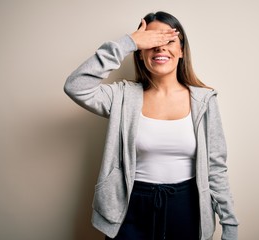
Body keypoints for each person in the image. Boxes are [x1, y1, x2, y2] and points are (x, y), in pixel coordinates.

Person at [64, 11, 239, 240]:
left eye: (168, 40)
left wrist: (230, 225)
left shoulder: (204, 101)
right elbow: (76, 86)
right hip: (130, 208)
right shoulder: (122, 97)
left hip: (186, 208)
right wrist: (129, 42)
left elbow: (216, 168)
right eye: (152, 41)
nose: (160, 47)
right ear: (139, 53)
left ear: (181, 51)